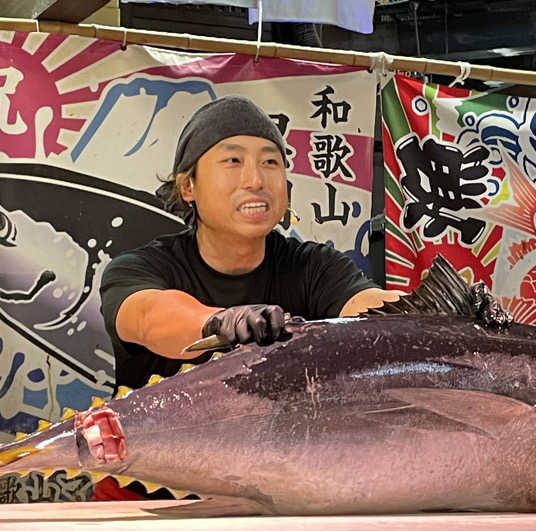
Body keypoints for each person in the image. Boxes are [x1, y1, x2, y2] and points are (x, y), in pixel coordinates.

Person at [99, 95, 400, 395]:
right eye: (233, 161)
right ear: (188, 186)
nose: (255, 180)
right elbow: (148, 317)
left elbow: (374, 311)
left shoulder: (316, 267)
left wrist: (413, 317)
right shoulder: (137, 269)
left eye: (270, 162)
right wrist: (218, 323)